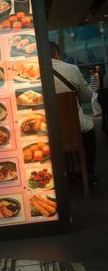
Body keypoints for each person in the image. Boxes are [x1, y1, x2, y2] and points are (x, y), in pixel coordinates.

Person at [49, 41, 99, 185]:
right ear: (57, 54)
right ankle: (88, 171)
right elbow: (87, 96)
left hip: (50, 131)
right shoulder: (72, 69)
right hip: (74, 127)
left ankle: (62, 173)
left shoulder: (34, 72)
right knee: (88, 129)